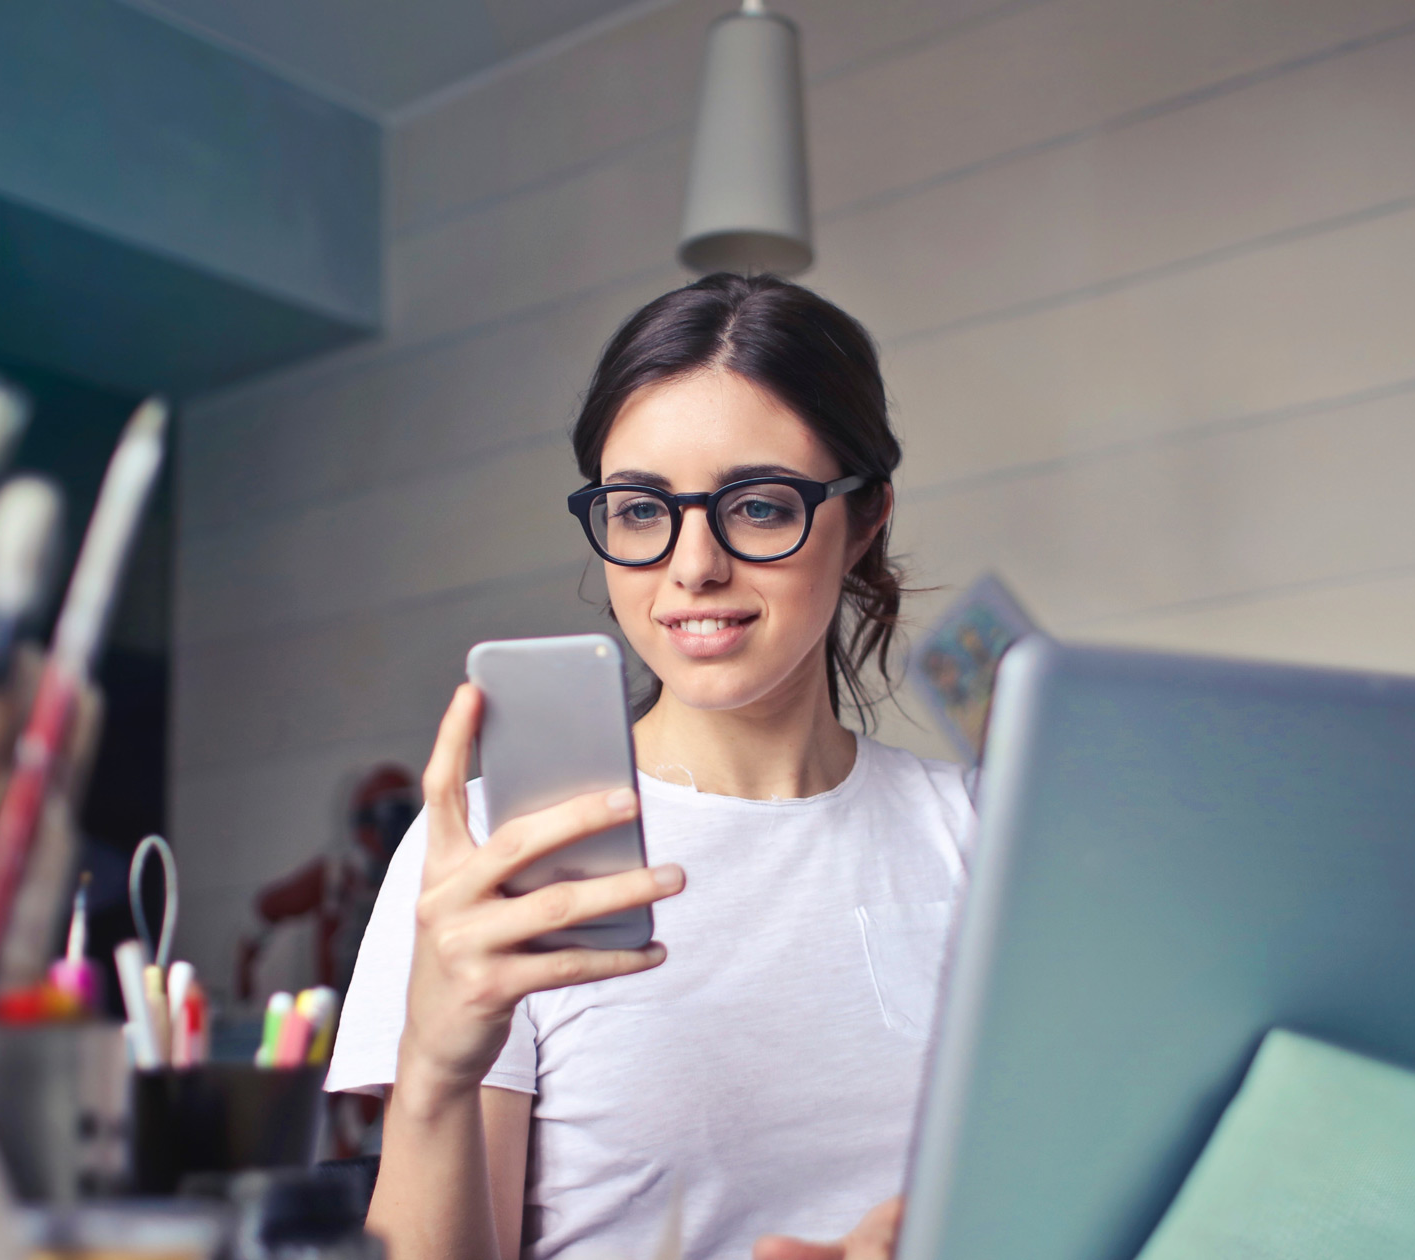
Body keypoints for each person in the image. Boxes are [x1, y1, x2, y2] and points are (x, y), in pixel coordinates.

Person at [326, 274, 975, 1260]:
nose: (692, 567)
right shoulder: (501, 853)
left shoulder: (982, 835)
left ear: (865, 518)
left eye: (757, 506)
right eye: (639, 510)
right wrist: (431, 1077)